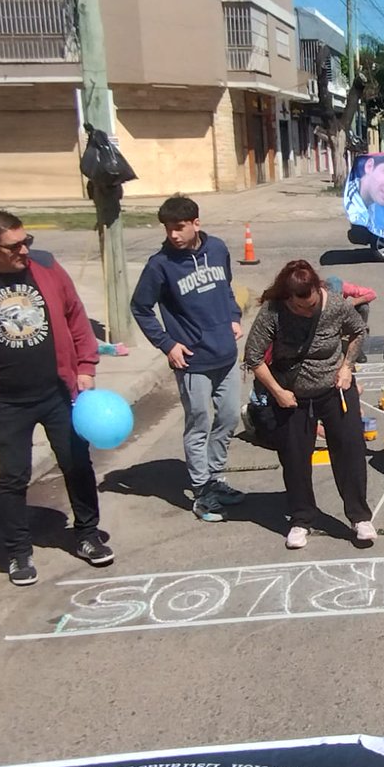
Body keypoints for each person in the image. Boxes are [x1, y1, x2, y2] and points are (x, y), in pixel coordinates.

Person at [0, 211, 114, 585]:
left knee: (77, 463)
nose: (24, 250)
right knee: (13, 477)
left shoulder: (45, 267)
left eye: (26, 241)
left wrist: (85, 366)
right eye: (14, 246)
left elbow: (75, 316)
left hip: (57, 392)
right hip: (4, 402)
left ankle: (86, 534)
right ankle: (18, 553)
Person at [243, 260, 374, 550]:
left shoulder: (335, 305)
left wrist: (347, 367)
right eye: (299, 308)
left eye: (311, 305)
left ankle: (359, 517)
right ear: (288, 298)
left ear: (317, 290)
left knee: (350, 449)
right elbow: (252, 357)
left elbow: (358, 331)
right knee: (294, 458)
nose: (306, 312)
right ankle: (301, 519)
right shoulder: (273, 312)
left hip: (334, 389)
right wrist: (277, 392)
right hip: (291, 395)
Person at [131, 196, 244, 523]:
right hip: (192, 360)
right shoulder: (160, 264)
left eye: (179, 227)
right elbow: (140, 307)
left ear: (196, 223)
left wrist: (234, 315)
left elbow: (227, 288)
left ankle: (215, 476)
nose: (173, 235)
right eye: (168, 229)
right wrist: (168, 344)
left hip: (225, 352)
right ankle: (201, 490)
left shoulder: (218, 249)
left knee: (229, 416)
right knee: (199, 422)